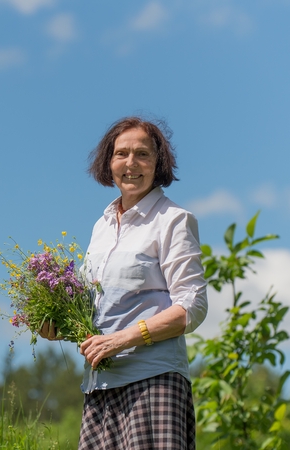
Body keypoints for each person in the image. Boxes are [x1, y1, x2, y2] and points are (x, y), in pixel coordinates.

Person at [42, 116, 207, 449]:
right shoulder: (101, 227)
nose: (131, 163)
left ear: (158, 163)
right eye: (122, 154)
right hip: (100, 389)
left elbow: (192, 307)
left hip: (153, 383)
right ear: (109, 162)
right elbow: (99, 309)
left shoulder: (173, 220)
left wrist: (122, 339)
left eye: (143, 154)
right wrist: (59, 327)